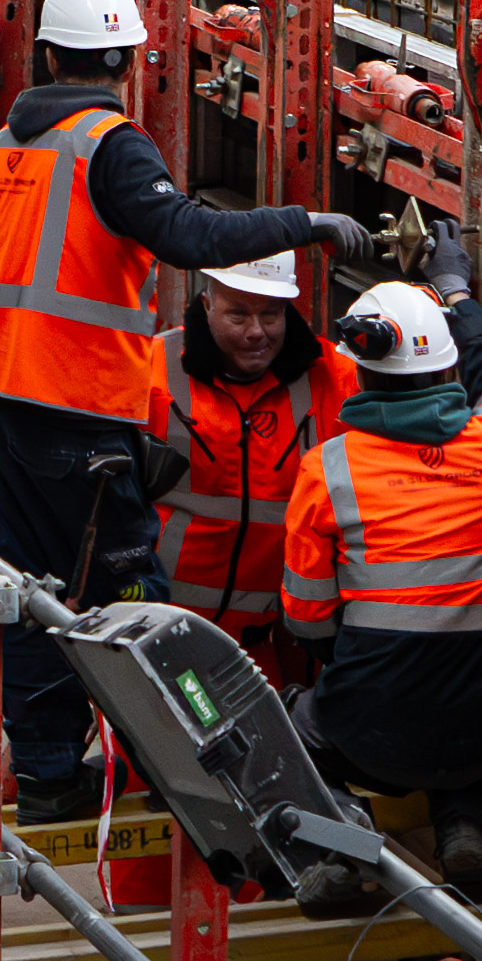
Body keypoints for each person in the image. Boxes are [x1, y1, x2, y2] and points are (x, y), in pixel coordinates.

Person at [0, 0, 352, 820]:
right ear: (131, 59)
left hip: (3, 393)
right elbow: (186, 234)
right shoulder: (109, 141)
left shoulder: (6, 143)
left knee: (38, 585)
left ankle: (46, 775)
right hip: (76, 402)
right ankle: (189, 762)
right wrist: (302, 223)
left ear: (47, 53)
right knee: (132, 590)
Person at [289, 274, 482, 873]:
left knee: (289, 723)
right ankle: (462, 827)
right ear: (449, 369)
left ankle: (347, 841)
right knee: (462, 702)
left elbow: (308, 625)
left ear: (360, 371)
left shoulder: (329, 468)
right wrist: (456, 294)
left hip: (368, 735)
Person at [145, 250, 346, 683]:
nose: (257, 332)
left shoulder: (331, 377)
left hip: (257, 650)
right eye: (238, 315)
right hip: (153, 634)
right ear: (206, 304)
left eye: (271, 315)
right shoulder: (152, 370)